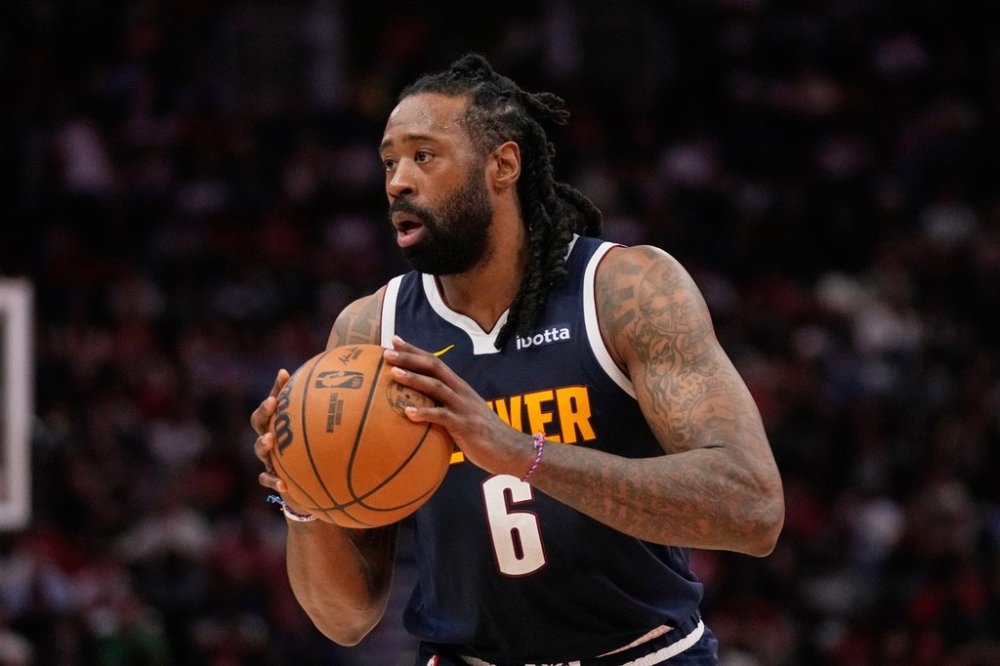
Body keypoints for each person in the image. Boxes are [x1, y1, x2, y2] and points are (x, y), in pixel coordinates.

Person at [251, 53, 784, 666]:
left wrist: (519, 454)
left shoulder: (624, 292)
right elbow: (345, 620)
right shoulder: (371, 331)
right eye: (389, 161)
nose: (397, 181)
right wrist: (304, 495)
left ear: (503, 165)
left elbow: (752, 509)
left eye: (424, 156)